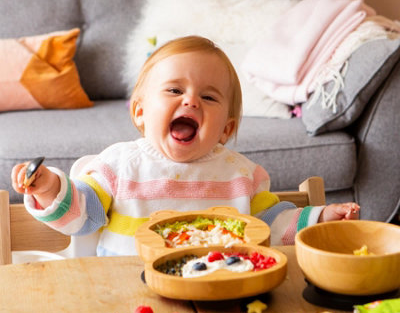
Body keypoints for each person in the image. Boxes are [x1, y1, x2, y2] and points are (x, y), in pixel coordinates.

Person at [11, 36, 360, 256]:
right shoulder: (117, 167)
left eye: (208, 96)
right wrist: (50, 188)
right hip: (125, 294)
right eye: (175, 90)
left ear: (226, 129)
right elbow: (82, 217)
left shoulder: (240, 175)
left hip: (218, 294)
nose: (191, 101)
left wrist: (321, 218)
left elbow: (271, 224)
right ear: (140, 111)